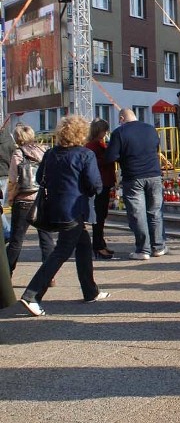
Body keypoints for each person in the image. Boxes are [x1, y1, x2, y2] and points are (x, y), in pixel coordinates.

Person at [18, 115, 108, 317]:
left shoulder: (50, 153)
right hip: (73, 209)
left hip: (53, 208)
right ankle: (32, 294)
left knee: (83, 245)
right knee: (61, 252)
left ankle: (90, 290)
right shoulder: (85, 154)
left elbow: (41, 178)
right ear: (81, 133)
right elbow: (95, 185)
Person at [105, 109, 166, 260]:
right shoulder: (151, 129)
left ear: (122, 118)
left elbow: (110, 157)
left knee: (138, 214)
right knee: (155, 211)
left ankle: (143, 250)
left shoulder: (119, 132)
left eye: (119, 120)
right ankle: (158, 246)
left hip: (133, 177)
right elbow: (156, 148)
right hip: (154, 175)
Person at [5, 124, 55, 275]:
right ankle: (49, 274)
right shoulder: (45, 150)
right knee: (46, 238)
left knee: (16, 240)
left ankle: (7, 273)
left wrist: (11, 198)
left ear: (18, 138)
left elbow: (13, 180)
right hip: (42, 198)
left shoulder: (18, 153)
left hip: (24, 199)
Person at [85, 118, 116, 260]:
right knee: (99, 216)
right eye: (104, 130)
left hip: (104, 182)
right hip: (100, 184)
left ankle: (100, 243)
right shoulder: (93, 146)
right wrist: (109, 156)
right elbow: (95, 163)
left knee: (101, 215)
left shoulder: (99, 144)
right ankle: (98, 245)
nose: (106, 133)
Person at [0, 122, 16, 240]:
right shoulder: (9, 140)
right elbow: (13, 156)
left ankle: (7, 232)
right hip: (6, 173)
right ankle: (6, 231)